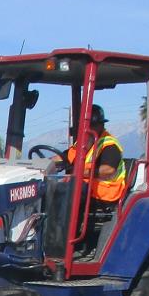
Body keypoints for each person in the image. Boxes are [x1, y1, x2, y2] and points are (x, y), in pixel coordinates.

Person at [52, 106, 126, 252]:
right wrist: (44, 165)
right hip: (87, 188)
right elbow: (63, 158)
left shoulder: (109, 145)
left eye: (89, 126)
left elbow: (108, 170)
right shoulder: (82, 145)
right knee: (52, 189)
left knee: (71, 192)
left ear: (98, 126)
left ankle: (63, 242)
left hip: (105, 193)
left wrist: (81, 171)